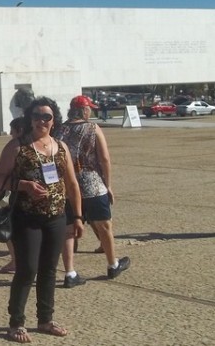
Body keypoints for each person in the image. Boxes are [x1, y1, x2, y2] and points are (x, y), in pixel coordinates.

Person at [0, 96, 84, 343]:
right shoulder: (17, 147)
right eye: (37, 116)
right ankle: (16, 323)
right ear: (29, 119)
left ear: (54, 120)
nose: (41, 121)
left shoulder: (61, 147)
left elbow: (72, 184)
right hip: (26, 217)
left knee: (49, 270)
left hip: (56, 216)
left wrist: (77, 216)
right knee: (27, 269)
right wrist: (24, 185)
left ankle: (45, 319)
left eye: (47, 116)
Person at [56, 95, 130, 288]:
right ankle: (112, 264)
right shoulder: (92, 128)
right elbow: (104, 158)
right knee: (104, 226)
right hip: (92, 184)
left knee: (68, 229)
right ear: (85, 110)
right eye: (90, 109)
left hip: (66, 187)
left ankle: (70, 272)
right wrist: (108, 184)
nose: (92, 112)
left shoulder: (59, 130)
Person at [0, 117, 24, 274]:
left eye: (12, 130)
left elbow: (2, 176)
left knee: (5, 225)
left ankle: (15, 260)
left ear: (19, 130)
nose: (10, 133)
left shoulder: (14, 147)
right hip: (12, 194)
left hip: (9, 194)